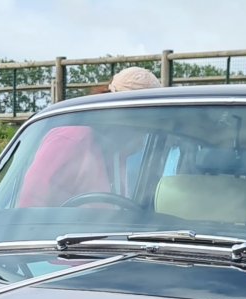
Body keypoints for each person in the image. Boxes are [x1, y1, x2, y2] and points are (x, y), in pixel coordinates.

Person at [15, 66, 160, 207]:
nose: (145, 133)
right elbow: (30, 203)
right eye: (140, 122)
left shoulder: (117, 153)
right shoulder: (69, 140)